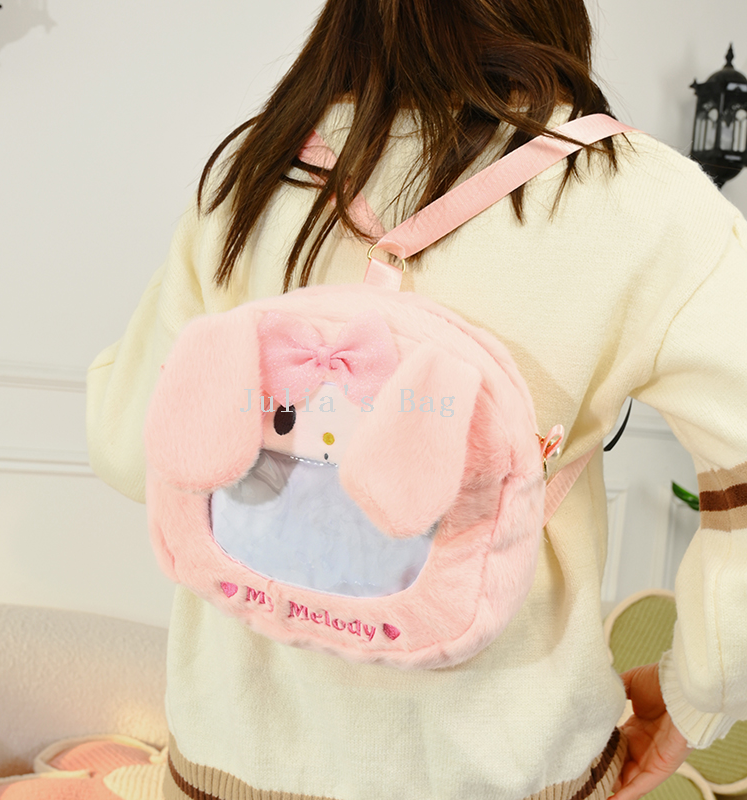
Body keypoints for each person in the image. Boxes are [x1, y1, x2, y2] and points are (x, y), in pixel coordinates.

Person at [86, 1, 747, 799]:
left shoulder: (256, 169)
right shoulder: (645, 199)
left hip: (234, 751)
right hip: (510, 758)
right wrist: (700, 694)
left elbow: (130, 448)